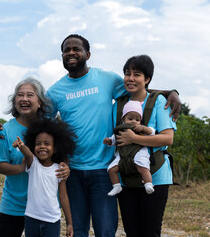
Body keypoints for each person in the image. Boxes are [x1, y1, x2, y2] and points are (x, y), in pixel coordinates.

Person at [46, 34, 181, 237]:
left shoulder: (107, 79)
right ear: (62, 55)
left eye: (76, 49)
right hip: (72, 171)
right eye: (67, 50)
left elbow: (137, 87)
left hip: (104, 169)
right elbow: (42, 124)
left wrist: (171, 92)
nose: (71, 53)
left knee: (106, 231)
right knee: (78, 231)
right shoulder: (54, 91)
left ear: (87, 54)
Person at [0, 77, 70, 237]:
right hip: (14, 205)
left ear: (40, 101)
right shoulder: (5, 130)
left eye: (30, 95)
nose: (24, 99)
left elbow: (62, 156)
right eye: (20, 95)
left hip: (44, 209)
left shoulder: (51, 127)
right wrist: (23, 167)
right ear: (15, 101)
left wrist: (65, 168)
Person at [115, 55, 176, 236]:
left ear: (147, 79)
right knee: (131, 231)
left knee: (150, 231)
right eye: (127, 74)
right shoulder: (118, 105)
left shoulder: (159, 102)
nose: (131, 78)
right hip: (125, 176)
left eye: (137, 74)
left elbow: (167, 138)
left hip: (156, 174)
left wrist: (134, 139)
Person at [12, 118, 75, 237]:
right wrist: (21, 146)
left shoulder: (59, 169)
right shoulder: (33, 163)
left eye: (47, 144)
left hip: (53, 221)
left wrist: (69, 223)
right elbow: (27, 153)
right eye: (38, 143)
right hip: (31, 219)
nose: (42, 147)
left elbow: (63, 197)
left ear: (55, 148)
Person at [104, 100, 156, 196]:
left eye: (137, 120)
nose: (134, 122)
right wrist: (109, 141)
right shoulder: (120, 129)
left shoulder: (141, 129)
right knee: (111, 169)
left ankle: (148, 184)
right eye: (130, 118)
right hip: (122, 155)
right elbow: (115, 139)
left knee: (143, 167)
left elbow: (152, 132)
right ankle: (116, 186)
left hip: (139, 152)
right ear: (123, 119)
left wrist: (144, 128)